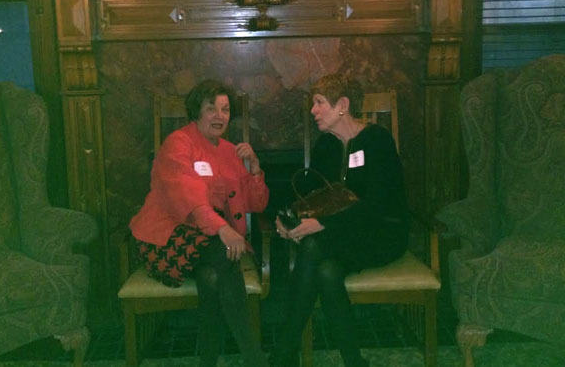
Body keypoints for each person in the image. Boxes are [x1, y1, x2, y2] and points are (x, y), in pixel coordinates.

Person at [129, 79, 270, 367]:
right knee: (224, 255)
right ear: (196, 111)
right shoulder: (178, 143)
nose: (220, 116)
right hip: (166, 238)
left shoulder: (231, 152)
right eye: (212, 109)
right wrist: (223, 230)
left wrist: (255, 170)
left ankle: (208, 362)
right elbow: (186, 196)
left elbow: (257, 205)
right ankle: (255, 360)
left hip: (208, 244)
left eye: (225, 109)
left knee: (211, 277)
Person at [271, 74, 409, 367]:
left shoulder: (377, 141)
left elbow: (380, 203)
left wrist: (322, 225)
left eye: (319, 103)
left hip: (382, 233)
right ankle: (354, 361)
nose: (313, 110)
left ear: (343, 105)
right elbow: (310, 196)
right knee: (328, 271)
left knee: (311, 249)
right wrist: (289, 219)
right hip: (339, 239)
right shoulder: (327, 146)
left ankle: (283, 353)